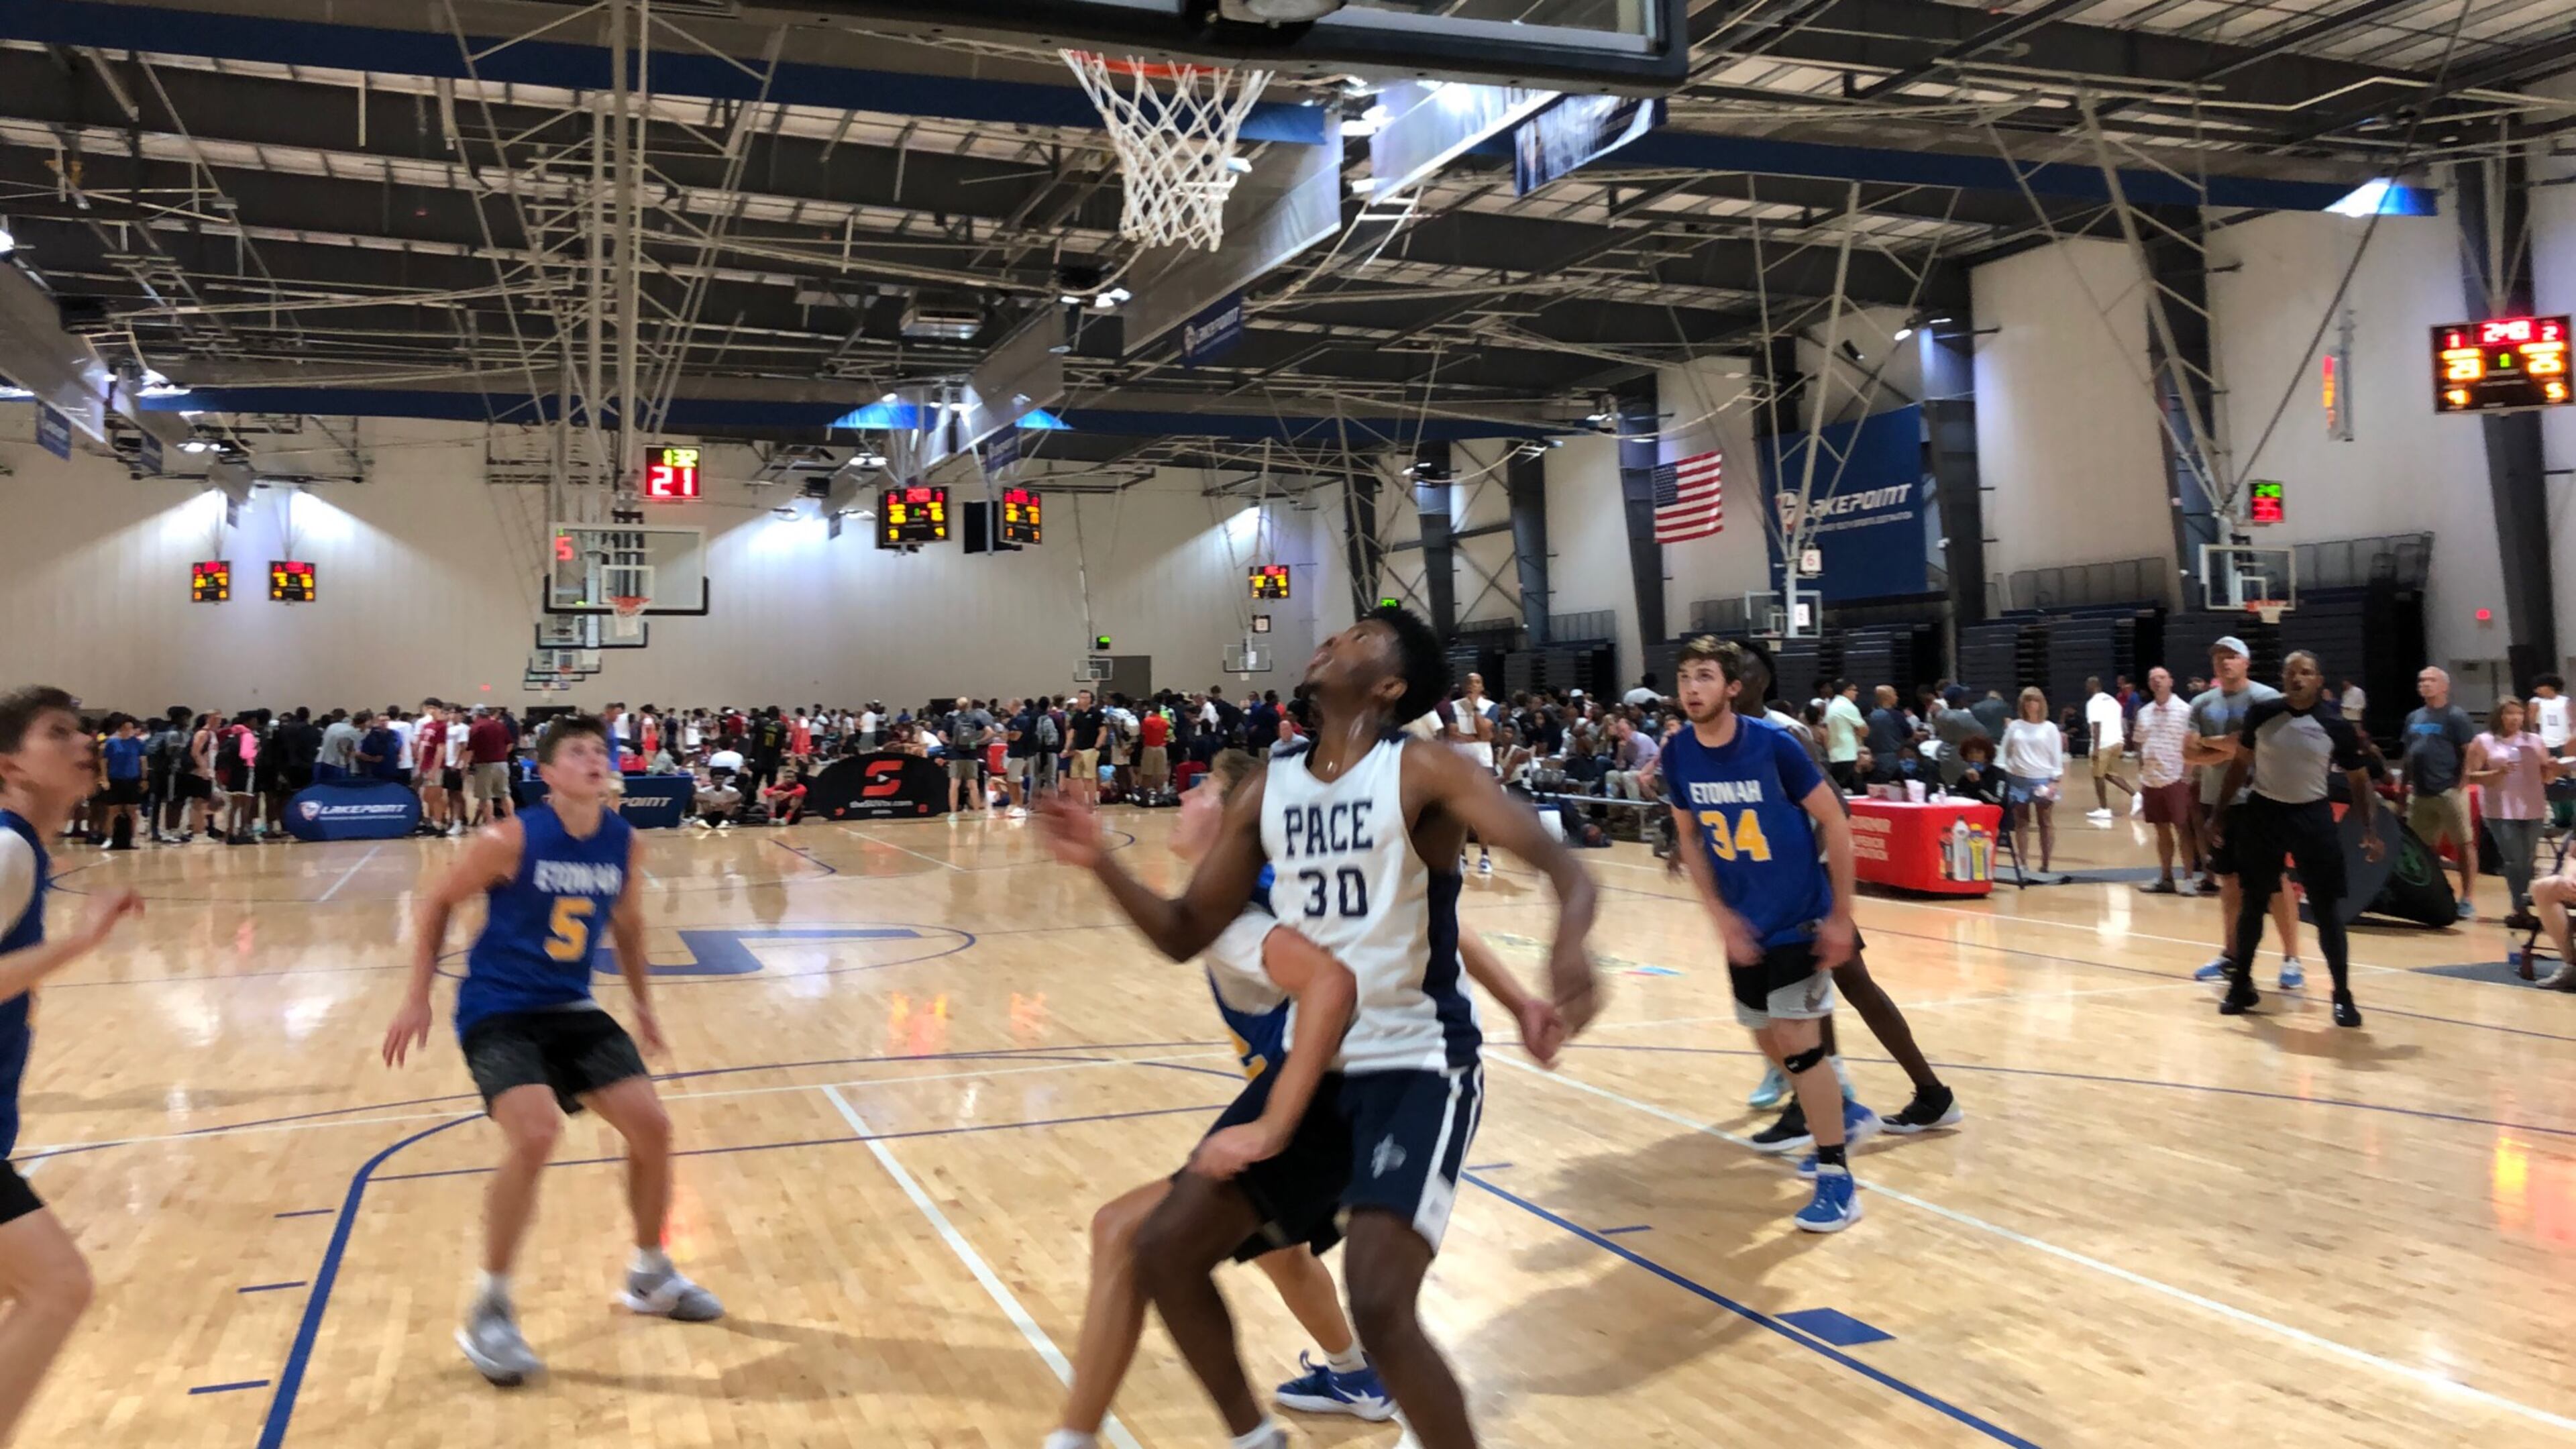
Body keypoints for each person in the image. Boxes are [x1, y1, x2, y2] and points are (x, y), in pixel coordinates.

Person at [1036, 606, 1599, 1449]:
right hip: (1316, 1068)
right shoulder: (1271, 784)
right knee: (1160, 1248)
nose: (1334, 639)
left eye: (1360, 639)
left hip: (1417, 1064)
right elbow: (1185, 930)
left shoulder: (1425, 771)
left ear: (1390, 684)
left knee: (1378, 1300)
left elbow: (1564, 867)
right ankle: (1255, 1438)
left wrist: (1568, 960)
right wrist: (1101, 862)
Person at [381, 715, 720, 1386]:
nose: (595, 760)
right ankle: (490, 1306)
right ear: (548, 772)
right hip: (499, 1009)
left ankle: (650, 1273)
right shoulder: (511, 838)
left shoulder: (623, 842)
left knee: (652, 1127)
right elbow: (436, 904)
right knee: (536, 1134)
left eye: (601, 750)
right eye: (577, 752)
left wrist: (644, 1004)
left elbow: (628, 924)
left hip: (572, 1007)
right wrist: (417, 995)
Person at [1707, 643, 1960, 1141]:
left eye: (1745, 669)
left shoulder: (1784, 734)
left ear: (1761, 682)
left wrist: (1809, 878)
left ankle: (1843, 1104)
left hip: (1805, 886)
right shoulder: (1725, 739)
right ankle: (1906, 1095)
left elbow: (1835, 810)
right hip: (1763, 889)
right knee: (1815, 995)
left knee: (1836, 988)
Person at [1660, 638, 1871, 1230]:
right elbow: (1691, 839)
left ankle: (1837, 1178)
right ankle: (1842, 1106)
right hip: (1745, 922)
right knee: (1765, 1036)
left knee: (1798, 1042)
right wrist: (1721, 918)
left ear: (1732, 688)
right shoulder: (1679, 756)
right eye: (1684, 678)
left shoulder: (1775, 747)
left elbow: (1834, 820)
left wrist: (1839, 917)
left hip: (1799, 917)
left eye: (1704, 677)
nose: (1692, 688)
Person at [0, 688, 144, 1442]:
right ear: (9, 766)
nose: (83, 741)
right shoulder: (8, 848)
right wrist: (81, 942)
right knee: (56, 1288)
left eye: (82, 728)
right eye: (58, 733)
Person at [2208, 652, 2381, 1028]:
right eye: (2290, 672)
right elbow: (2239, 764)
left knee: (2326, 911)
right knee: (2253, 903)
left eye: (2305, 673)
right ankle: (2241, 985)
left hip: (2312, 817)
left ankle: (2342, 996)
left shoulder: (2336, 725)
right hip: (2264, 814)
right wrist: (2219, 813)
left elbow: (2359, 781)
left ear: (2319, 680)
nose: (2297, 679)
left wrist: (2369, 828)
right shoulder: (2262, 715)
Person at [2186, 638, 2306, 988]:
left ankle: (2292, 959)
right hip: (2217, 801)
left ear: (2246, 662)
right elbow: (2189, 752)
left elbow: (2257, 748)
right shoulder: (2201, 702)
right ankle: (2231, 954)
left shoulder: (2266, 698)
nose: (2224, 662)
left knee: (2273, 882)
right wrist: (2229, 748)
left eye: (2232, 656)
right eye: (2219, 657)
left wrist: (2219, 745)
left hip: (2260, 801)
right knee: (2230, 881)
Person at [2466, 696, 2555, 932]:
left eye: (2519, 714)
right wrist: (2497, 772)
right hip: (2500, 808)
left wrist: (2553, 768)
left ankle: (2525, 901)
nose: (2515, 718)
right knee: (2514, 858)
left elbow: (2548, 776)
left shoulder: (2534, 741)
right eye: (2509, 714)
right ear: (2499, 716)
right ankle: (2520, 907)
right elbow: (2469, 776)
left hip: (2533, 806)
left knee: (2528, 858)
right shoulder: (2483, 741)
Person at [2402, 666, 2480, 918]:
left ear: (2444, 686)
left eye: (2431, 680)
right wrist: (2404, 787)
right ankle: (2432, 895)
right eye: (2421, 679)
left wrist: (2462, 782)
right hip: (2420, 793)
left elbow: (2469, 751)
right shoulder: (2414, 717)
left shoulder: (2455, 716)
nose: (2425, 684)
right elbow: (2409, 755)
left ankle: (2467, 899)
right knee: (2420, 849)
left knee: (2463, 844)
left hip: (2448, 790)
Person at [2132, 667, 2200, 894]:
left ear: (2171, 681)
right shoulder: (2144, 712)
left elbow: (2192, 744)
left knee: (2183, 829)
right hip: (2152, 779)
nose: (2157, 682)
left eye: (2161, 678)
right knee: (2161, 830)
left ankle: (2189, 879)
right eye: (2153, 679)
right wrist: (2142, 770)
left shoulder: (2184, 711)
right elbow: (2139, 743)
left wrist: (2187, 774)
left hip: (2176, 777)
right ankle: (2166, 877)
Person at [1999, 688, 2064, 875]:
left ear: (2041, 704)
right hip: (2018, 778)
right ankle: (2022, 862)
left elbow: (2056, 756)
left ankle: (2045, 864)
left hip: (2043, 779)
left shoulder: (2049, 728)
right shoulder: (2015, 727)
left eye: (2034, 701)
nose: (2030, 704)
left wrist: (2055, 780)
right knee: (2021, 822)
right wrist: (2004, 771)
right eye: (2027, 701)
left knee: (2045, 821)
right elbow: (2004, 751)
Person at [2082, 676, 2134, 823]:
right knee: (2108, 773)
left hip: (2103, 743)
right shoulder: (2113, 701)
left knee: (2098, 776)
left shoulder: (2093, 703)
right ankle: (2136, 796)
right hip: (2117, 741)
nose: (2086, 688)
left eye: (2087, 685)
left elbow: (2096, 725)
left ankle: (2104, 809)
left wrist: (2096, 748)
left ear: (2092, 686)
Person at [96, 716, 145, 850]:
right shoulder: (112, 743)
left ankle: (133, 838)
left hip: (132, 779)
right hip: (115, 779)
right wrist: (104, 778)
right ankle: (109, 838)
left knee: (133, 811)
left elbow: (143, 761)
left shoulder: (138, 743)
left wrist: (144, 778)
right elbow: (104, 762)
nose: (128, 731)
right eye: (126, 728)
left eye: (131, 728)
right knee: (113, 811)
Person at [1823, 680, 1867, 794]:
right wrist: (1857, 732)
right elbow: (1864, 730)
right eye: (1854, 690)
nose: (1856, 693)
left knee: (1840, 793)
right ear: (1845, 691)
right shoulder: (1847, 706)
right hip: (1848, 755)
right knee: (1854, 793)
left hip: (1836, 754)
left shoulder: (1832, 705)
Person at [1067, 689, 1106, 808]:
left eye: (1086, 697)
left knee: (1090, 777)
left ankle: (1092, 801)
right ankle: (1079, 802)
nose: (1083, 700)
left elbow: (1103, 731)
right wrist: (1067, 748)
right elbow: (1072, 732)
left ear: (1090, 699)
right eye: (1081, 697)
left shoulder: (1096, 714)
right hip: (1078, 750)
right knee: (1075, 777)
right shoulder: (1077, 715)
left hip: (1090, 749)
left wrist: (1097, 747)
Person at [1604, 716, 1658, 800]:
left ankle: (1636, 808)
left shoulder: (1642, 739)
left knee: (1627, 776)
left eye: (1623, 731)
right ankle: (1612, 806)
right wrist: (1621, 751)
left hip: (1653, 771)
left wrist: (1626, 772)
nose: (1621, 734)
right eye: (1619, 731)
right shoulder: (1624, 744)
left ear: (1631, 729)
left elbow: (1641, 763)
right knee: (1611, 775)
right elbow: (1619, 766)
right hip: (1635, 771)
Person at [1136, 702, 1172, 798]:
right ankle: (1160, 791)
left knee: (1147, 771)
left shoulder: (1147, 721)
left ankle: (1147, 791)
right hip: (1161, 748)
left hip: (1149, 747)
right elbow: (1167, 735)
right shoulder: (1165, 722)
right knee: (1161, 771)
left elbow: (1143, 734)